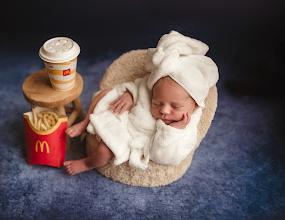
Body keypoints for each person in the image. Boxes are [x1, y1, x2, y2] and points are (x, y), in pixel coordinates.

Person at [64, 30, 219, 175]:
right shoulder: (153, 87)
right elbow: (141, 87)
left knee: (105, 151)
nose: (164, 110)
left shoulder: (186, 126)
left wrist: (173, 131)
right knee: (106, 93)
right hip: (124, 117)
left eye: (175, 106)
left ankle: (88, 163)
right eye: (158, 103)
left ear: (195, 105)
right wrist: (130, 95)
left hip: (132, 138)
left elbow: (167, 156)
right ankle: (85, 122)